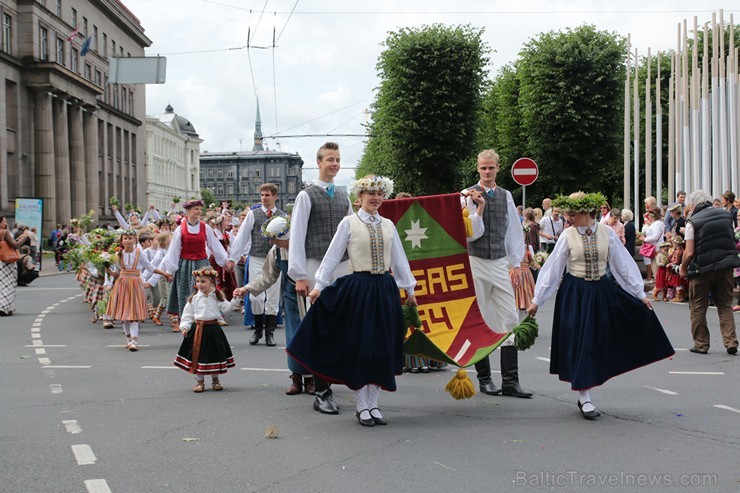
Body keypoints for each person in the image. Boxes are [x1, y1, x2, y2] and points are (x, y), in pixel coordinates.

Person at [526, 192, 674, 420]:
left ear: (585, 213)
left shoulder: (607, 234)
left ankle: (588, 387)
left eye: (571, 213)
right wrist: (538, 299)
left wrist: (638, 294)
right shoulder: (567, 235)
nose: (568, 217)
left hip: (601, 292)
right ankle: (585, 395)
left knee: (598, 340)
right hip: (575, 294)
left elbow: (621, 265)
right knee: (582, 342)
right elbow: (554, 269)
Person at [286, 175, 417, 427]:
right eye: (370, 194)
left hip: (385, 290)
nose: (375, 198)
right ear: (360, 198)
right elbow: (332, 256)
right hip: (360, 290)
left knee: (382, 347)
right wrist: (319, 286)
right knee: (363, 347)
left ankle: (374, 404)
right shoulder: (348, 223)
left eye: (379, 194)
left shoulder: (389, 224)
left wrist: (409, 289)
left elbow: (399, 259)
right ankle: (361, 406)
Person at [288, 142, 353, 415]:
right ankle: (321, 390)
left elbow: (353, 232)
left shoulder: (343, 195)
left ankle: (332, 382)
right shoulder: (307, 195)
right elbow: (297, 236)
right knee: (319, 327)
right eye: (329, 159)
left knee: (340, 326)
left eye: (337, 159)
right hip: (315, 267)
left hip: (342, 267)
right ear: (319, 162)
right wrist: (300, 275)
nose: (334, 164)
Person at [463, 149, 532, 398]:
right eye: (483, 168)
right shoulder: (467, 195)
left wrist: (516, 262)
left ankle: (511, 381)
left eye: (491, 167)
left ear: (498, 168)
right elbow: (471, 233)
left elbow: (513, 229)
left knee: (511, 320)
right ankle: (484, 379)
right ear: (478, 168)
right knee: (480, 318)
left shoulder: (505, 196)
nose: (487, 171)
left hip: (500, 262)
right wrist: (478, 208)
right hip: (476, 261)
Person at [234, 215, 316, 395]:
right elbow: (267, 276)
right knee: (293, 338)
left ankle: (312, 379)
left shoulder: (306, 246)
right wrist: (246, 288)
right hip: (291, 301)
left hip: (310, 298)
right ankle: (296, 377)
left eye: (274, 237)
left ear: (286, 235)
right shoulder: (276, 251)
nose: (271, 241)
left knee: (310, 338)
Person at [679, 190, 740, 355]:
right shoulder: (726, 216)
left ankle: (701, 344)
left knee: (698, 306)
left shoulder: (693, 221)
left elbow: (689, 252)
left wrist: (683, 268)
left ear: (693, 205)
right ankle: (730, 341)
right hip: (725, 266)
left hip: (702, 270)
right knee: (725, 305)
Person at [229, 183, 286, 346]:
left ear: (275, 197)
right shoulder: (253, 214)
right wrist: (233, 258)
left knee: (273, 297)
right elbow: (242, 236)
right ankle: (258, 330)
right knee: (256, 297)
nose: (264, 198)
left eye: (267, 195)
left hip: (276, 258)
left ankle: (270, 333)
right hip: (257, 258)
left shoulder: (282, 216)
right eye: (262, 195)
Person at [160, 200, 234, 323]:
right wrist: (170, 270)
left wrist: (225, 261)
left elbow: (214, 245)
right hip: (185, 264)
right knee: (187, 291)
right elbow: (174, 250)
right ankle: (187, 319)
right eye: (196, 209)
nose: (199, 211)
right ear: (188, 211)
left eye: (200, 209)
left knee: (207, 290)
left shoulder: (205, 227)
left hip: (202, 264)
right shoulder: (180, 229)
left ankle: (212, 315)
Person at [174, 267, 240, 392]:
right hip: (198, 330)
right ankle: (200, 382)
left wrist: (235, 299)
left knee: (214, 355)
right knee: (197, 357)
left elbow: (226, 308)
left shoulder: (217, 297)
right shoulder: (194, 298)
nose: (199, 284)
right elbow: (187, 315)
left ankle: (215, 380)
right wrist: (185, 327)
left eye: (203, 281)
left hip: (214, 330)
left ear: (212, 282)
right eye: (197, 281)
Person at [106, 230, 171, 351]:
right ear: (121, 240)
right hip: (122, 284)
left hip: (135, 283)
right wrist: (106, 269)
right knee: (124, 315)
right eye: (125, 238)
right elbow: (115, 273)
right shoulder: (119, 254)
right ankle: (128, 339)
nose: (127, 241)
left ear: (135, 240)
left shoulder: (139, 253)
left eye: (130, 238)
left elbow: (150, 267)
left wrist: (165, 274)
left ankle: (134, 341)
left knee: (133, 315)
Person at [1, 215, 28, 315]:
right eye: (4, 221)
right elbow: (15, 245)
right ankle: (4, 307)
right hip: (7, 261)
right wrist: (24, 237)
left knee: (1, 285)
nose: (5, 222)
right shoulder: (5, 232)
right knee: (8, 284)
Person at [641, 209, 665, 282]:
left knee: (656, 268)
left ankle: (658, 286)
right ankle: (658, 286)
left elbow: (655, 236)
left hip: (656, 248)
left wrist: (645, 239)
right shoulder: (659, 224)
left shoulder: (656, 225)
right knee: (656, 268)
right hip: (657, 247)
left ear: (652, 217)